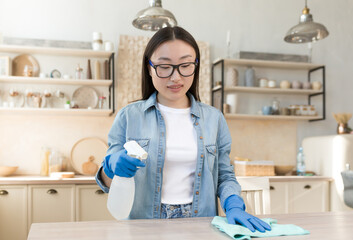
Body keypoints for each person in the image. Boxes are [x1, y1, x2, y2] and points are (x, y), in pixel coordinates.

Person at [96, 26, 271, 233]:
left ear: (195, 66)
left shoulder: (214, 119)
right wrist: (110, 166)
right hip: (143, 226)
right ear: (149, 68)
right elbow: (105, 183)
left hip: (200, 224)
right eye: (164, 66)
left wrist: (233, 203)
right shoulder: (129, 116)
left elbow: (224, 176)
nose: (176, 77)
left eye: (185, 65)